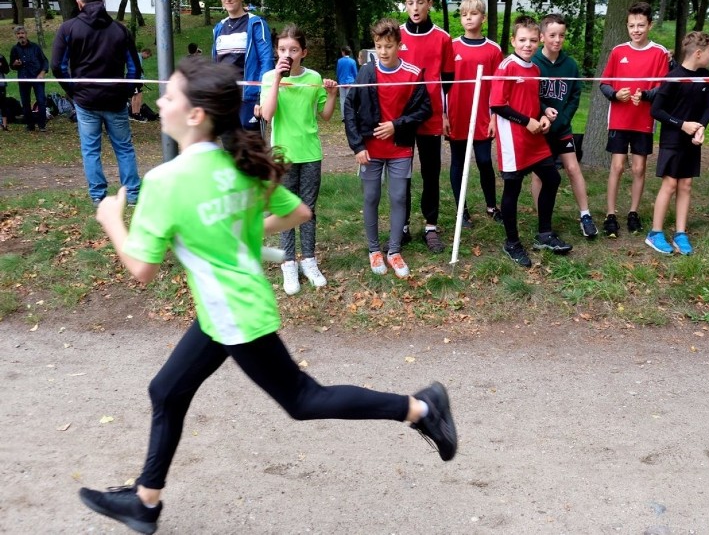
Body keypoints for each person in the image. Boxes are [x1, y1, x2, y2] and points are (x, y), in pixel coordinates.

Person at [77, 57, 456, 535]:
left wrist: (111, 218)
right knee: (166, 391)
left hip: (233, 316)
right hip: (229, 308)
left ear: (196, 115)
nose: (159, 101)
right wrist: (245, 234)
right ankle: (145, 502)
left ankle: (421, 408)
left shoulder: (165, 183)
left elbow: (141, 268)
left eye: (169, 95)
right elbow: (300, 211)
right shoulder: (237, 163)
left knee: (302, 399)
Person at [343, 18, 432, 278]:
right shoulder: (366, 72)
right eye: (379, 46)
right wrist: (357, 146)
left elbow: (424, 109)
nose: (383, 51)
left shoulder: (414, 74)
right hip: (369, 151)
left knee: (398, 198)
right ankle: (374, 250)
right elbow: (350, 108)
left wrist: (397, 125)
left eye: (389, 46)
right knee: (371, 197)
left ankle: (394, 251)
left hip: (400, 149)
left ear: (399, 45)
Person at [260, 24, 337, 295]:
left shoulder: (313, 77)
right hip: (283, 157)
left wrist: (332, 95)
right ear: (276, 52)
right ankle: (288, 263)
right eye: (283, 49)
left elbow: (325, 115)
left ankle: (309, 260)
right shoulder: (269, 78)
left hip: (310, 154)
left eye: (293, 49)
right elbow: (267, 115)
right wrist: (278, 81)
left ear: (303, 52)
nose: (288, 54)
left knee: (308, 210)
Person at [490, 16, 572, 268]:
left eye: (533, 40)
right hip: (513, 140)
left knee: (552, 179)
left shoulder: (535, 69)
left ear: (539, 41)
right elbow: (497, 105)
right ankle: (512, 243)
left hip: (534, 137)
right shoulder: (506, 66)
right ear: (513, 40)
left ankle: (544, 234)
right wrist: (527, 121)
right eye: (522, 40)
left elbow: (532, 100)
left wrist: (543, 114)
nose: (528, 45)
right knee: (512, 189)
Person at [51, 0, 142, 207]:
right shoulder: (120, 30)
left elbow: (58, 66)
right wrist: (126, 91)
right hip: (113, 100)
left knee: (91, 150)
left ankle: (98, 197)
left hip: (87, 100)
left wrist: (73, 91)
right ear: (101, 1)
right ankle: (132, 195)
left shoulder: (68, 29)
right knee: (123, 147)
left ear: (79, 2)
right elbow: (134, 68)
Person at [599, 2, 670, 237]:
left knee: (639, 168)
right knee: (617, 166)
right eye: (632, 25)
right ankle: (610, 214)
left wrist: (647, 95)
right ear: (627, 26)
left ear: (649, 25)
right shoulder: (618, 51)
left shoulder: (659, 52)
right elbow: (604, 83)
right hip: (619, 119)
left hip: (643, 120)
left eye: (641, 25)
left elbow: (664, 87)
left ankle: (633, 212)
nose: (636, 29)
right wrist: (615, 95)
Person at [646, 31, 709, 256]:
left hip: (692, 142)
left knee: (686, 185)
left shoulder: (704, 76)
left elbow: (708, 108)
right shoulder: (673, 77)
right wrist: (682, 124)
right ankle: (655, 233)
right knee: (670, 185)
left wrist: (701, 127)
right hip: (672, 140)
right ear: (697, 53)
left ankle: (680, 232)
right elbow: (656, 110)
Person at [399, 0, 455, 253]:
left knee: (431, 172)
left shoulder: (443, 38)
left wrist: (444, 112)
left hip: (431, 116)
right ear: (405, 5)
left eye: (420, 2)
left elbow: (448, 81)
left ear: (429, 4)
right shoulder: (395, 36)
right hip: (402, 118)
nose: (415, 8)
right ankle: (403, 225)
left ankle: (430, 225)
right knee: (402, 173)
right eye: (410, 3)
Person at [532, 13, 599, 239]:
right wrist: (542, 111)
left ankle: (585, 216)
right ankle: (543, 218)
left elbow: (574, 97)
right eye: (552, 35)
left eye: (561, 35)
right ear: (542, 37)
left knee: (572, 168)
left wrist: (561, 121)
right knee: (540, 174)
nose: (557, 40)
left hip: (561, 129)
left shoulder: (570, 65)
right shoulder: (532, 62)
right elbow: (528, 95)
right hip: (540, 129)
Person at [444, 0, 503, 229]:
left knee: (485, 161)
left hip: (483, 117)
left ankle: (491, 206)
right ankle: (462, 211)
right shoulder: (451, 47)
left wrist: (495, 117)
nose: (468, 18)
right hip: (457, 116)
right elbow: (442, 85)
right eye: (464, 14)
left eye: (474, 13)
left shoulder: (493, 50)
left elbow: (499, 87)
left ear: (484, 18)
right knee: (457, 162)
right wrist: (444, 115)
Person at [212, 0, 274, 132]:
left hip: (249, 100)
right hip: (225, 99)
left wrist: (262, 96)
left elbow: (266, 61)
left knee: (251, 153)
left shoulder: (256, 24)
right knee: (230, 152)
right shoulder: (219, 27)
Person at [10, 25, 49, 132]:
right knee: (25, 102)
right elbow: (11, 66)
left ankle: (42, 125)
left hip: (37, 78)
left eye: (22, 33)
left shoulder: (35, 47)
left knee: (41, 101)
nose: (20, 35)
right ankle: (30, 125)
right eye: (18, 34)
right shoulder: (15, 49)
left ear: (26, 34)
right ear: (16, 36)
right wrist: (15, 64)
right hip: (23, 79)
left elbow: (45, 62)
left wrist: (42, 74)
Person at [336, 46, 358, 121]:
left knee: (342, 100)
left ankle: (343, 116)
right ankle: (351, 115)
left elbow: (338, 72)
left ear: (343, 52)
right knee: (351, 100)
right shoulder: (353, 61)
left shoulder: (339, 61)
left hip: (342, 83)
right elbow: (355, 73)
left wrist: (339, 80)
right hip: (350, 82)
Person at [0, 51, 8, 131]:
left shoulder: (1, 57)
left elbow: (6, 70)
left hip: (1, 84)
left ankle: (4, 125)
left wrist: (1, 66)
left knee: (3, 104)